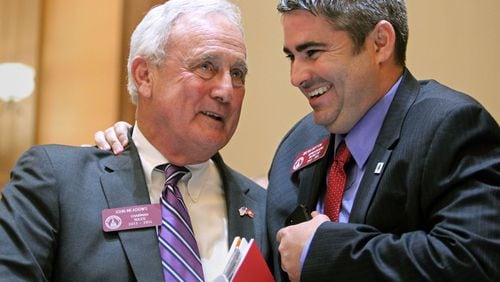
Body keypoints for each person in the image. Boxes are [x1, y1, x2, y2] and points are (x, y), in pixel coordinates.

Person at [96, 0, 500, 281]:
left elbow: (478, 263)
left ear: (380, 42)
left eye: (313, 51)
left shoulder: (449, 125)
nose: (298, 76)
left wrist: (324, 250)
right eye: (292, 56)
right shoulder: (299, 142)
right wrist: (136, 156)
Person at [0, 0, 269, 281]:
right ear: (144, 76)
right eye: (206, 66)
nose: (226, 90)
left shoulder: (263, 209)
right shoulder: (59, 182)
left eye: (237, 73)